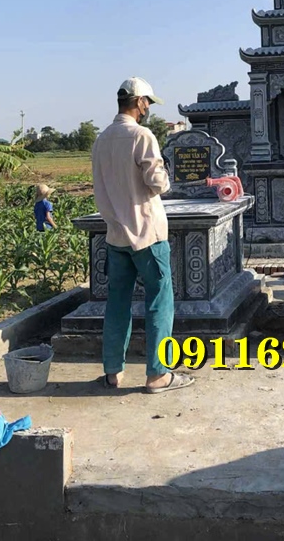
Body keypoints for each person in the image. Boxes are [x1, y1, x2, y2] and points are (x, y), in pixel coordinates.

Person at [91, 76, 193, 394]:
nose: (148, 108)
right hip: (147, 234)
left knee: (117, 304)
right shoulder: (141, 135)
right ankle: (158, 374)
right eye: (147, 103)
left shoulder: (101, 140)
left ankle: (113, 371)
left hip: (116, 235)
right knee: (159, 303)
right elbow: (157, 183)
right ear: (139, 103)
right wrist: (166, 174)